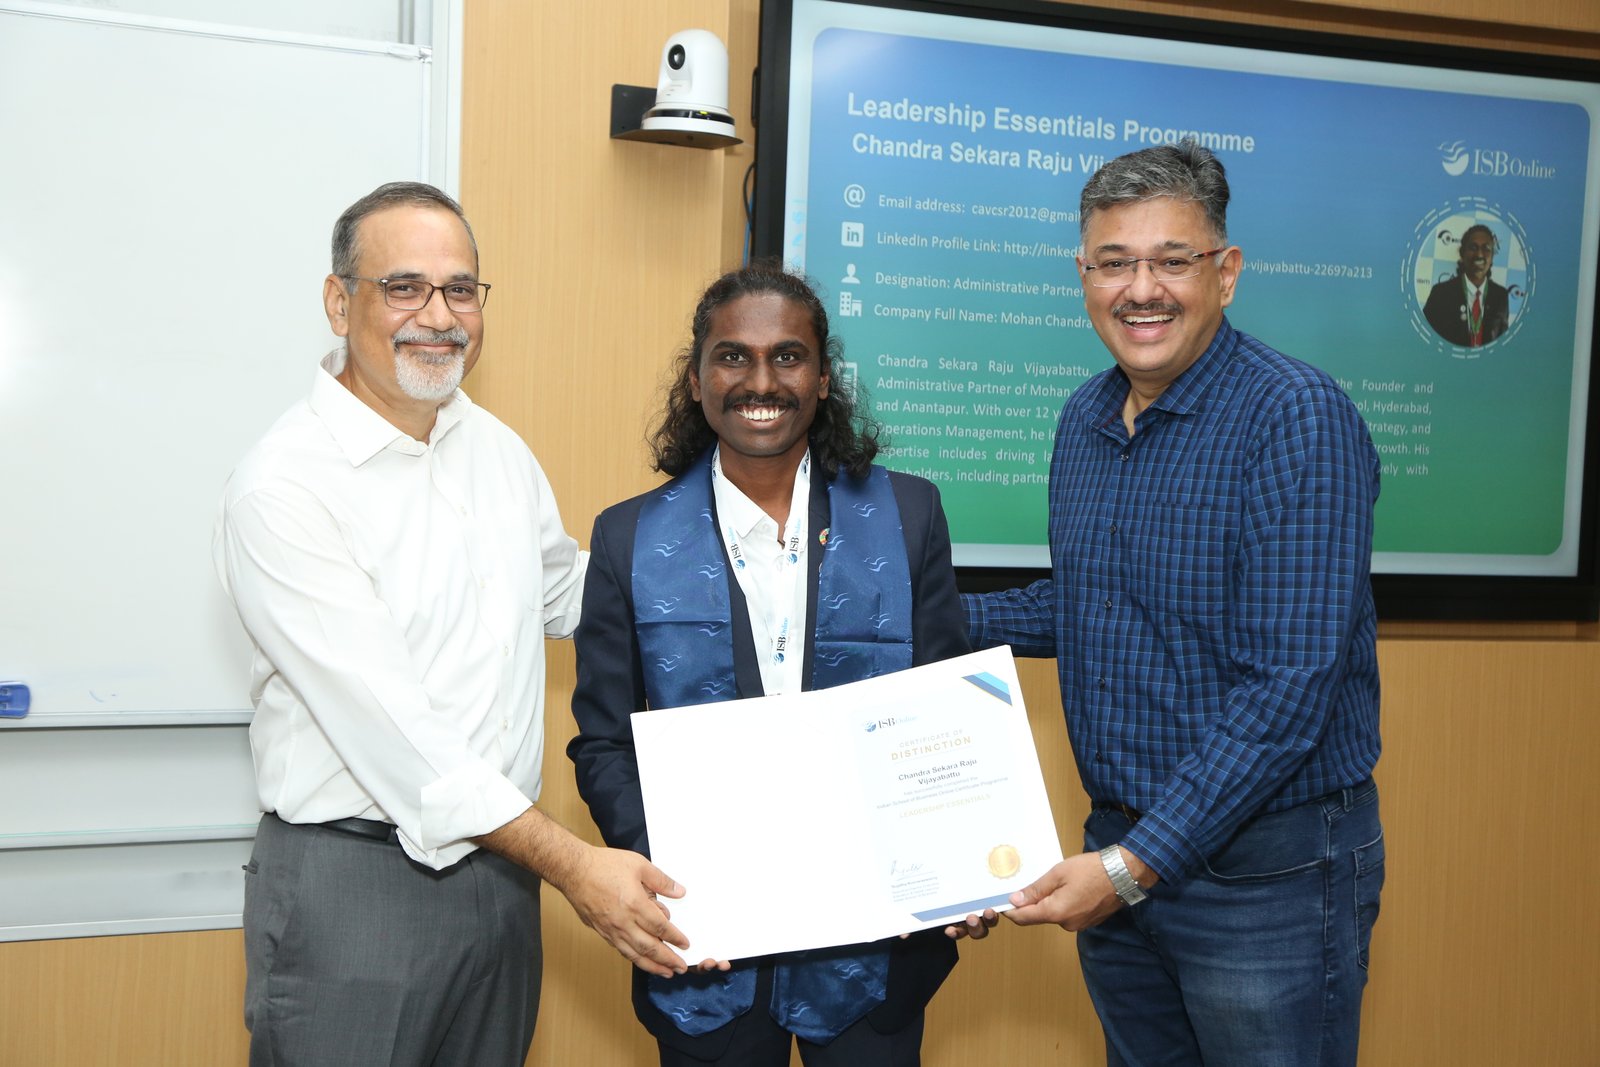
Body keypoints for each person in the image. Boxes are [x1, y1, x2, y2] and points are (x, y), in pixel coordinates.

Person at [214, 181, 691, 1066]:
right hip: (356, 890)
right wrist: (577, 867)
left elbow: (574, 597)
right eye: (405, 286)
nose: (438, 316)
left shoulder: (496, 450)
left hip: (503, 881)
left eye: (461, 288)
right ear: (337, 300)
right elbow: (406, 742)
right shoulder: (285, 488)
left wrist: (737, 571)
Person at [956, 143, 1385, 1066]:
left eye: (1171, 261)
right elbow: (1094, 604)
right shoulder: (1083, 419)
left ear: (1225, 274)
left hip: (1263, 877)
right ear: (1084, 276)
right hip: (1122, 848)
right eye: (1114, 262)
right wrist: (922, 624)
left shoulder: (1295, 417)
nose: (1140, 289)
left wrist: (1130, 868)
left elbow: (1288, 688)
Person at [568, 264, 967, 1066]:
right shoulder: (628, 538)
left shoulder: (908, 513)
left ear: (823, 379)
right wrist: (684, 876)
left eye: (788, 356)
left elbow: (944, 717)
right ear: (695, 378)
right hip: (706, 948)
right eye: (732, 356)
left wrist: (955, 859)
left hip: (875, 944)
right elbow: (603, 743)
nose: (761, 380)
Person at [1423, 223, 1510, 346]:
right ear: (1462, 253)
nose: (1480, 255)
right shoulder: (1440, 294)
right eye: (1473, 248)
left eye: (1486, 249)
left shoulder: (1500, 296)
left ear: (1492, 257)